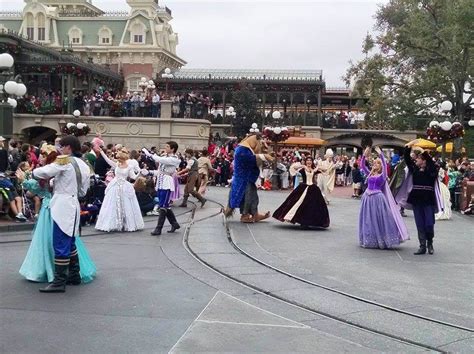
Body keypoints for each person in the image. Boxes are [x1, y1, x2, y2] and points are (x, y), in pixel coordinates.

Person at [31, 135, 91, 293]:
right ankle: (74, 275)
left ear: (68, 148)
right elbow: (84, 190)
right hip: (74, 203)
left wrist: (34, 172)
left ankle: (59, 281)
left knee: (60, 242)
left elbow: (46, 171)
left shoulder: (65, 161)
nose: (60, 149)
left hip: (62, 205)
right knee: (70, 241)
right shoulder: (84, 164)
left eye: (62, 146)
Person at [19, 178, 96, 284]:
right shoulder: (55, 169)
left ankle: (61, 275)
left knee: (58, 240)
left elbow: (36, 189)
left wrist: (25, 179)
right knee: (60, 239)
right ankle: (66, 272)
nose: (42, 160)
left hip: (55, 207)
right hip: (51, 208)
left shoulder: (55, 169)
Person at [358, 146, 409, 249]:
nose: (375, 164)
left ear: (381, 166)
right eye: (374, 163)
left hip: (377, 198)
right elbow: (362, 166)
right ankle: (369, 238)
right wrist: (364, 155)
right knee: (368, 220)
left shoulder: (382, 175)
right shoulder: (370, 174)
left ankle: (381, 239)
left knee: (378, 219)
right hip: (367, 198)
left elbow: (385, 168)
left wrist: (381, 154)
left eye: (378, 163)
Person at [224, 134, 274, 223]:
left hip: (248, 178)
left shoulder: (246, 149)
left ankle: (255, 214)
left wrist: (265, 154)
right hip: (243, 180)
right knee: (247, 198)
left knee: (253, 198)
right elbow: (250, 159)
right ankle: (245, 215)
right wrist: (264, 156)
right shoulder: (242, 150)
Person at [402, 140, 440, 255]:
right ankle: (422, 246)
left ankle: (430, 243)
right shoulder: (414, 170)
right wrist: (409, 146)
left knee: (429, 223)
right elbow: (407, 159)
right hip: (417, 199)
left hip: (428, 199)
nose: (416, 160)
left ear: (423, 161)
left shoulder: (432, 170)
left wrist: (423, 152)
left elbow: (430, 162)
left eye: (418, 159)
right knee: (419, 223)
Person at [94, 146, 144, 232]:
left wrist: (140, 172)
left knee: (126, 204)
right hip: (115, 185)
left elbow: (134, 177)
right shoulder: (117, 164)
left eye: (120, 159)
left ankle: (125, 222)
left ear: (123, 158)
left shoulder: (129, 167)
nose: (118, 161)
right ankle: (113, 223)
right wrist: (102, 152)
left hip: (124, 186)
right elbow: (108, 161)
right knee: (112, 204)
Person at [273, 156, 329, 229]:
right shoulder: (303, 169)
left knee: (312, 206)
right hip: (303, 187)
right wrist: (302, 165)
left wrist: (318, 167)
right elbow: (293, 168)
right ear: (305, 162)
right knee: (298, 203)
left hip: (313, 189)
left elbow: (326, 170)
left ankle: (309, 221)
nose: (309, 162)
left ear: (312, 162)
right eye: (307, 160)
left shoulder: (314, 170)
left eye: (310, 160)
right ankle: (302, 221)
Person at [142, 142, 181, 236]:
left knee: (163, 206)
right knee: (165, 205)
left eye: (167, 146)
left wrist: (149, 154)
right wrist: (149, 172)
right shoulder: (166, 157)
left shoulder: (174, 159)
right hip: (160, 182)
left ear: (173, 149)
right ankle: (174, 224)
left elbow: (160, 160)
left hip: (166, 183)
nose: (165, 148)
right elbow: (160, 172)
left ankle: (158, 228)